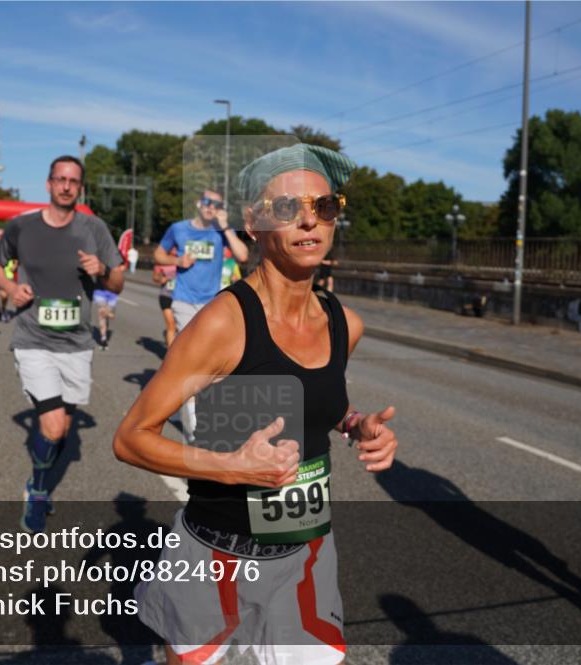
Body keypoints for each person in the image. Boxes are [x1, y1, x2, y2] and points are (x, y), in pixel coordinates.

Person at [114, 144, 398, 665]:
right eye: (288, 208)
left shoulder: (344, 323)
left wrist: (356, 425)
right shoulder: (224, 324)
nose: (309, 220)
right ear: (253, 223)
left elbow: (317, 403)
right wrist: (230, 467)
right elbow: (131, 437)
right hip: (216, 553)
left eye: (324, 206)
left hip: (305, 556)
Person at [0, 155, 125, 533]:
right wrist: (12, 288)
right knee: (52, 427)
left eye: (73, 181)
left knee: (62, 428)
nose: (66, 186)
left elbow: (117, 283)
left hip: (77, 343)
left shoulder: (93, 229)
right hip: (33, 338)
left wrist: (102, 271)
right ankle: (37, 490)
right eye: (60, 179)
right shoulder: (22, 227)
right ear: (48, 184)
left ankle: (41, 484)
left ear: (80, 188)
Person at [155, 189, 250, 442]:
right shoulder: (179, 229)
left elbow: (243, 255)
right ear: (198, 203)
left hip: (212, 305)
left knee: (216, 362)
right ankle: (193, 424)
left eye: (218, 204)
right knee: (196, 360)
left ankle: (198, 405)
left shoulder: (221, 231)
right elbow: (158, 254)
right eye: (209, 202)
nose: (212, 207)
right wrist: (177, 260)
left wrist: (226, 227)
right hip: (184, 301)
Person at [152, 260, 177, 346]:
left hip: (182, 297)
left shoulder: (184, 259)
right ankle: (171, 354)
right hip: (166, 296)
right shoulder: (161, 261)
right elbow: (155, 277)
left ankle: (169, 337)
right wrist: (162, 278)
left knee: (180, 325)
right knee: (171, 324)